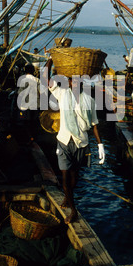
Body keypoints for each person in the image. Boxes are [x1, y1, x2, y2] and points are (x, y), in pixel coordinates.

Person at [46, 59, 105, 224]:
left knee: (74, 177)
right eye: (70, 80)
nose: (73, 83)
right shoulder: (63, 93)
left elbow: (94, 125)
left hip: (81, 142)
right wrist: (50, 62)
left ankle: (68, 197)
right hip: (64, 140)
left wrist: (100, 145)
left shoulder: (89, 101)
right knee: (65, 177)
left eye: (76, 80)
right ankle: (73, 210)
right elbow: (46, 80)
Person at [16, 63, 40, 143]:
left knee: (25, 123)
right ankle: (33, 138)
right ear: (33, 71)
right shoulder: (37, 80)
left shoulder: (23, 80)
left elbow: (20, 93)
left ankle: (28, 139)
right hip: (35, 105)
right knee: (34, 123)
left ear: (25, 70)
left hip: (25, 106)